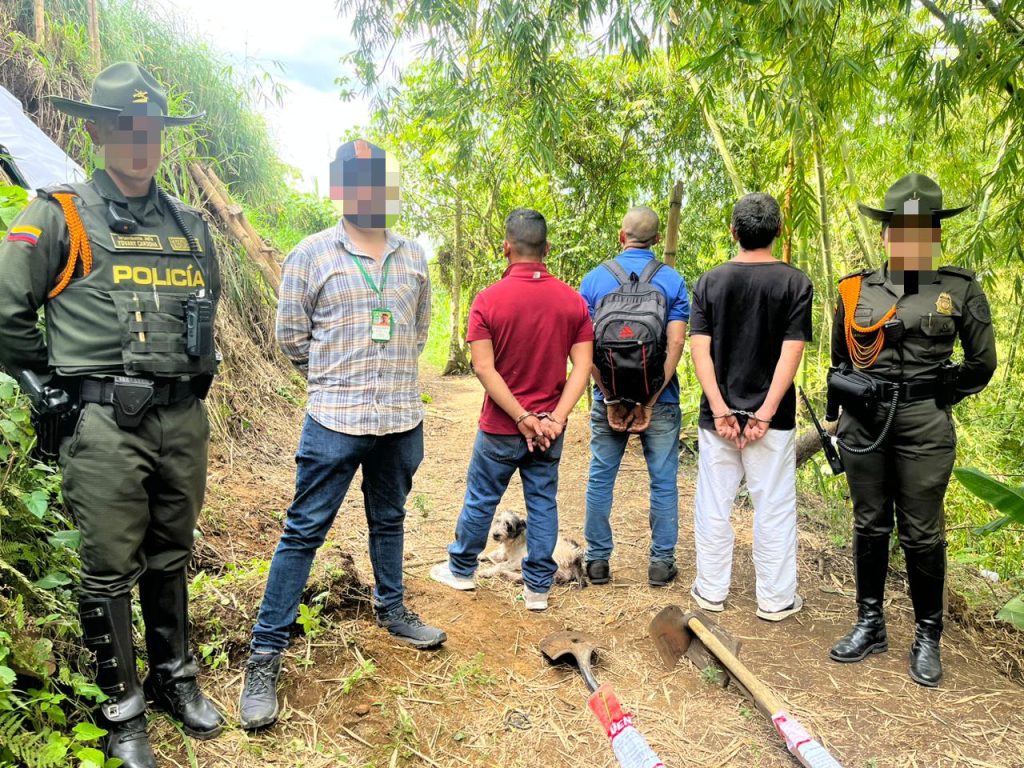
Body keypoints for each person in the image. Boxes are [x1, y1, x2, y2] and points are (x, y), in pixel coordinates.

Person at [0, 63, 224, 767]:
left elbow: (206, 313)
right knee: (106, 569)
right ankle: (123, 710)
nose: (139, 141)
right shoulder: (60, 212)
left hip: (182, 419)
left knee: (172, 554)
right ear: (98, 130)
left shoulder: (190, 224)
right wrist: (46, 385)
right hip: (103, 422)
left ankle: (174, 679)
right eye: (125, 127)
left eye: (151, 129)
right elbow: (6, 312)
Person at [238, 139, 444, 731]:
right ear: (340, 189)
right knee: (302, 534)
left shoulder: (414, 257)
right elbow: (290, 337)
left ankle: (393, 609)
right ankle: (265, 655)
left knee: (390, 519)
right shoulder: (309, 254)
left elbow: (418, 326)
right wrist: (335, 380)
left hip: (401, 418)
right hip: (334, 419)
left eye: (376, 180)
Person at [828, 173, 997, 687]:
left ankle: (928, 635)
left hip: (925, 423)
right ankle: (870, 622)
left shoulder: (958, 288)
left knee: (923, 532)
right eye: (901, 230)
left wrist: (945, 390)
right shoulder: (856, 289)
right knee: (869, 523)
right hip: (866, 423)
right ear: (885, 235)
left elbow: (983, 363)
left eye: (922, 231)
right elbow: (841, 360)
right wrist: (855, 399)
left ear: (934, 236)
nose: (910, 240)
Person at [430, 208, 594, 611]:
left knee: (481, 498)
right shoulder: (572, 302)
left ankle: (462, 571)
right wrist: (553, 418)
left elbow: (484, 367)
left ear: (506, 248)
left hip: (501, 428)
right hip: (549, 434)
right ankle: (537, 589)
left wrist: (521, 417)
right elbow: (583, 367)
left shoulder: (488, 301)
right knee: (542, 503)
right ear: (547, 249)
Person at [688, 192, 813, 622]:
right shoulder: (795, 283)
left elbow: (699, 351)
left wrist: (721, 409)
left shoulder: (710, 282)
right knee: (774, 506)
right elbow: (790, 352)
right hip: (772, 421)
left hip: (717, 419)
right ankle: (776, 600)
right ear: (779, 230)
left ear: (734, 232)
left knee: (713, 504)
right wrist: (764, 412)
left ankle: (710, 592)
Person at [579, 206, 689, 587]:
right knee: (662, 480)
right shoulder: (672, 281)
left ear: (621, 236)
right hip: (660, 400)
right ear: (657, 241)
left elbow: (583, 348)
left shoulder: (593, 281)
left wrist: (610, 397)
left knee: (600, 477)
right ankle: (660, 564)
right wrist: (649, 399)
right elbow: (675, 343)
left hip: (607, 398)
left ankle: (596, 562)